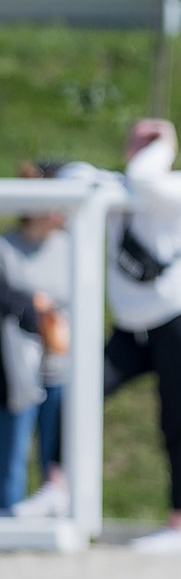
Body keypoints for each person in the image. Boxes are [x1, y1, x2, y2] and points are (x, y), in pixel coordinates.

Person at [61, 119, 181, 553]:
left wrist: (164, 141)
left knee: (175, 425)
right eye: (138, 140)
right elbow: (73, 176)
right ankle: (58, 485)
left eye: (153, 142)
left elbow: (145, 178)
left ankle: (179, 524)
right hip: (131, 331)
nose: (143, 148)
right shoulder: (116, 189)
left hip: (180, 324)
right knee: (79, 392)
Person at [1, 167, 72, 517]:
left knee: (58, 448)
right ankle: (8, 512)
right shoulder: (6, 248)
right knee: (13, 447)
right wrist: (34, 309)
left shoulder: (69, 247)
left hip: (60, 362)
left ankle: (54, 509)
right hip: (18, 362)